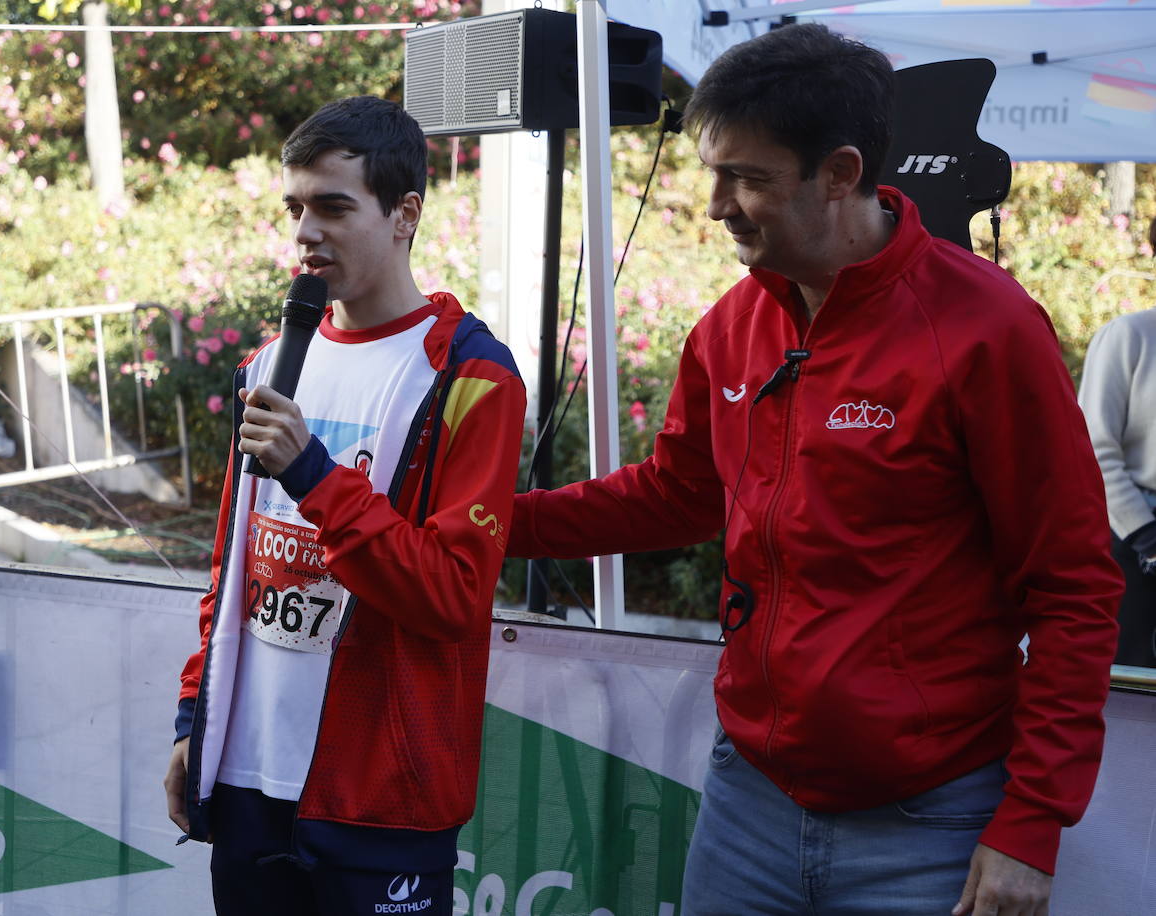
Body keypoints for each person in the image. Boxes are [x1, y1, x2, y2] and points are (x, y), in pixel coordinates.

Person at [506, 24, 1121, 916]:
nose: (716, 205)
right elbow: (680, 495)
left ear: (840, 173)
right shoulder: (731, 325)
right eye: (713, 172)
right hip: (748, 803)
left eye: (748, 178)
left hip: (931, 825)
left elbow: (1073, 587)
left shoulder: (987, 328)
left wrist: (1030, 824)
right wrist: (486, 519)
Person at [163, 96, 526, 915]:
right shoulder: (269, 362)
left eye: (333, 206)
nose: (304, 232)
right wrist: (196, 720)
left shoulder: (472, 377)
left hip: (380, 796)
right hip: (250, 776)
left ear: (405, 216)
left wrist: (316, 477)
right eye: (295, 208)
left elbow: (453, 593)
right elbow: (232, 572)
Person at [1077, 217, 1156, 668]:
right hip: (1133, 538)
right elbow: (1094, 448)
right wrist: (1147, 537)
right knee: (1133, 685)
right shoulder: (1128, 337)